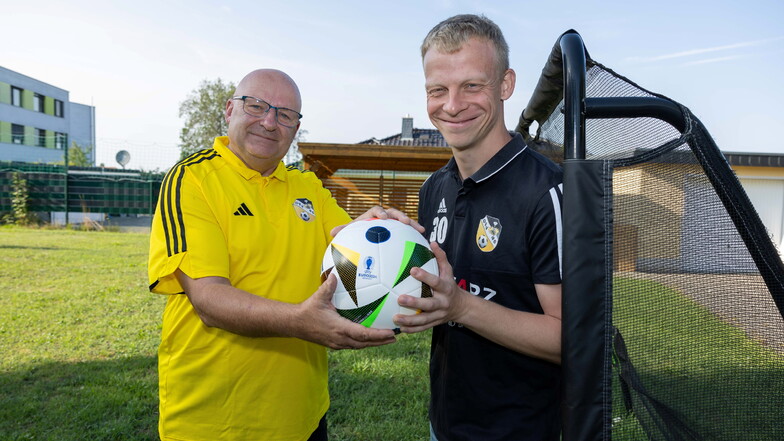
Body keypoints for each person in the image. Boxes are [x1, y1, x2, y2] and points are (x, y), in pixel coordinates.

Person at [148, 68, 411, 441]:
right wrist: (300, 321)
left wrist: (384, 233)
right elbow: (208, 299)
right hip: (215, 423)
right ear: (229, 110)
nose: (269, 122)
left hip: (303, 416)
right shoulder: (192, 179)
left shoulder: (307, 186)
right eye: (256, 106)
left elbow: (349, 246)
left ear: (295, 127)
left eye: (285, 115)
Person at [393, 15, 564, 440]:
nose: (451, 105)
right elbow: (439, 295)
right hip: (444, 424)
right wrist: (391, 255)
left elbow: (574, 339)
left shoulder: (548, 192)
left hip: (519, 431)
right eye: (438, 90)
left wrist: (461, 307)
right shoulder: (434, 188)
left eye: (472, 86)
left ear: (505, 85)